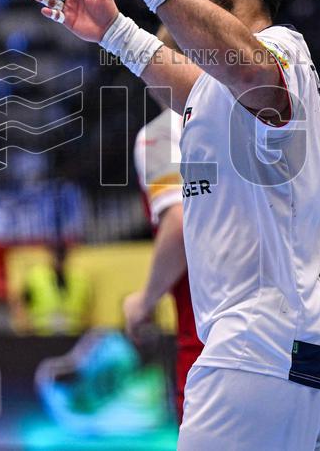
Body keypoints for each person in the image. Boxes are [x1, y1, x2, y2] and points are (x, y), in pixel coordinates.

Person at [36, 0, 320, 448]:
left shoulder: (279, 51)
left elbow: (242, 67)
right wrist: (114, 30)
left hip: (262, 344)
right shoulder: (229, 87)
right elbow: (194, 88)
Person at [126, 27, 203, 423]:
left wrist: (145, 301)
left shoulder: (162, 134)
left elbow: (180, 221)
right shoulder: (255, 120)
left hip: (208, 346)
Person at [16, 241, 92, 336]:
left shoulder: (80, 278)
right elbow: (22, 303)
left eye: (61, 254)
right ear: (50, 254)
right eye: (56, 254)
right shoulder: (36, 277)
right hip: (42, 333)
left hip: (72, 334)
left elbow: (87, 306)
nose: (59, 259)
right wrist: (25, 327)